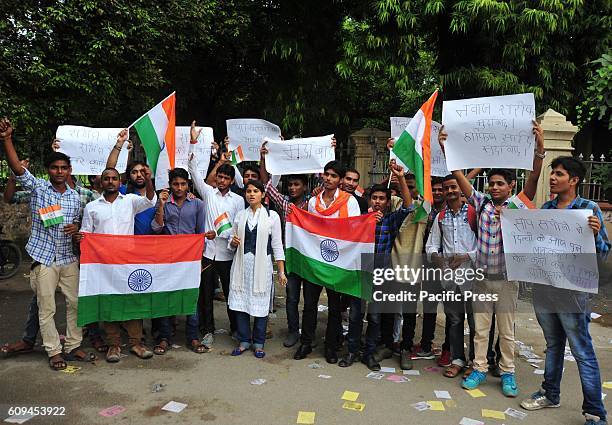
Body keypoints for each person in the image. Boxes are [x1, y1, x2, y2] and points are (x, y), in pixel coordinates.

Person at [440, 120, 545, 397]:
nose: (495, 187)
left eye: (500, 183)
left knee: (507, 332)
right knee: (480, 331)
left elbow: (533, 180)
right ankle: (478, 368)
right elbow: (458, 175)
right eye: (491, 183)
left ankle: (508, 373)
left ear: (511, 186)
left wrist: (539, 149)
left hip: (508, 282)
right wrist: (446, 146)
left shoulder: (517, 205)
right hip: (482, 281)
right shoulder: (481, 203)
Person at [521, 156, 610, 425]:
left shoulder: (588, 208)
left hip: (572, 292)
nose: (552, 178)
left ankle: (595, 412)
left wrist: (595, 236)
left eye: (558, 174)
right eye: (552, 174)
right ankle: (550, 393)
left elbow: (604, 254)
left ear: (574, 180)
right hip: (545, 289)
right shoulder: (547, 208)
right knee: (553, 344)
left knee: (582, 350)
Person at [0, 118, 89, 370]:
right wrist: (7, 138)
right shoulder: (38, 189)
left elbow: (82, 228)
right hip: (44, 261)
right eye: (54, 168)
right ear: (48, 170)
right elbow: (18, 169)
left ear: (69, 171)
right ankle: (53, 351)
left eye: (64, 168)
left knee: (76, 304)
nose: (59, 171)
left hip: (68, 260)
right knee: (46, 308)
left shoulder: (76, 197)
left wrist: (77, 231)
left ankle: (73, 345)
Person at [78, 167, 157, 362]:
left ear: (120, 181)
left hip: (127, 261)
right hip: (103, 264)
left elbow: (150, 200)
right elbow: (86, 234)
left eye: (114, 178)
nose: (111, 182)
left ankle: (136, 343)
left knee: (132, 302)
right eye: (107, 179)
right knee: (109, 303)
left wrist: (148, 180)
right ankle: (113, 345)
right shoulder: (92, 207)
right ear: (101, 182)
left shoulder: (130, 200)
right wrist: (79, 237)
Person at [294, 160, 361, 362]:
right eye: (327, 174)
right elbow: (308, 228)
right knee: (310, 304)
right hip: (315, 261)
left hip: (337, 262)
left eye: (334, 176)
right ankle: (306, 343)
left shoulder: (350, 202)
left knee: (334, 307)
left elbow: (355, 229)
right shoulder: (314, 202)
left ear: (340, 180)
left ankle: (331, 347)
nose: (329, 179)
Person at [189, 122, 244, 348]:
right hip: (208, 254)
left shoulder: (238, 200)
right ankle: (207, 330)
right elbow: (193, 171)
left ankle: (236, 329)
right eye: (219, 177)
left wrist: (228, 237)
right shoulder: (208, 194)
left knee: (232, 294)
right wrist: (193, 141)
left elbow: (239, 226)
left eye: (225, 178)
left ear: (231, 181)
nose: (221, 180)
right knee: (205, 296)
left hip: (229, 254)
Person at [357, 161, 414, 370]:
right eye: (375, 198)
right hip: (360, 273)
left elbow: (409, 207)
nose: (378, 201)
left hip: (381, 275)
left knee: (374, 316)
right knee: (356, 314)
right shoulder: (360, 218)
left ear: (388, 202)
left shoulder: (390, 220)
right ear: (369, 199)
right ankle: (354, 350)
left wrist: (400, 177)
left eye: (382, 198)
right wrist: (368, 221)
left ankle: (370, 353)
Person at [151, 167, 213, 355]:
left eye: (183, 184)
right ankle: (164, 338)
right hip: (167, 258)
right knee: (165, 296)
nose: (179, 188)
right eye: (175, 184)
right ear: (170, 185)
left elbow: (199, 232)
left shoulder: (198, 204)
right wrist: (161, 205)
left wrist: (200, 257)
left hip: (189, 259)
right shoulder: (163, 202)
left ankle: (192, 337)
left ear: (188, 184)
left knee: (190, 297)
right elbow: (156, 228)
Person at [425, 174, 477, 378]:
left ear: (461, 188)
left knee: (475, 323)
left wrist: (466, 256)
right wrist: (435, 257)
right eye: (446, 188)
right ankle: (457, 359)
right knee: (454, 320)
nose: (450, 191)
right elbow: (431, 244)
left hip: (472, 277)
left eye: (453, 187)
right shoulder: (441, 216)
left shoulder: (475, 213)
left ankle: (476, 361)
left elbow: (487, 246)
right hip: (449, 279)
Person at [228, 180, 287, 358]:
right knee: (241, 303)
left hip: (262, 267)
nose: (251, 194)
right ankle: (244, 340)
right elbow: (232, 244)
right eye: (248, 191)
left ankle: (259, 342)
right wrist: (233, 242)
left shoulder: (272, 217)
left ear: (262, 194)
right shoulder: (240, 215)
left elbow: (277, 244)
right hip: (241, 266)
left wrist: (281, 272)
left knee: (260, 304)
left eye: (255, 191)